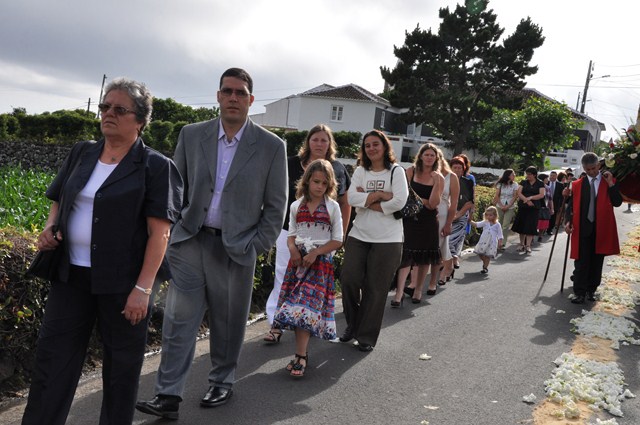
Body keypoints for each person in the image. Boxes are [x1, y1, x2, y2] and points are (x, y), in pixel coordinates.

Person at [22, 78, 183, 425]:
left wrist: (143, 289)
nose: (109, 113)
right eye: (105, 107)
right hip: (70, 275)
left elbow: (160, 233)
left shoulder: (156, 167)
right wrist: (50, 228)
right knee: (52, 363)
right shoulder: (82, 152)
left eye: (119, 109)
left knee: (120, 373)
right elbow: (59, 199)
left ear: (140, 121)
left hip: (124, 285)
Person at [136, 68, 287, 419]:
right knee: (178, 320)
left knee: (227, 322)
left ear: (251, 100)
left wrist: (255, 246)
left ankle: (222, 380)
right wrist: (175, 232)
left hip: (237, 250)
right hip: (190, 241)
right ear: (218, 96)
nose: (233, 97)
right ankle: (168, 395)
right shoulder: (191, 135)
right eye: (227, 91)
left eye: (240, 92)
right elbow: (175, 189)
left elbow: (276, 207)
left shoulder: (271, 146)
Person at [263, 124, 350, 344]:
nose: (319, 144)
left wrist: (341, 235)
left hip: (323, 239)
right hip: (289, 231)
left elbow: (344, 202)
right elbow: (275, 193)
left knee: (316, 284)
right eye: (315, 139)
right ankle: (276, 325)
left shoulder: (338, 168)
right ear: (308, 142)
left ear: (330, 144)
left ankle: (308, 324)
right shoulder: (290, 164)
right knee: (283, 276)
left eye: (324, 140)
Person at [273, 159, 343, 377]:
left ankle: (300, 356)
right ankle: (300, 355)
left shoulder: (332, 207)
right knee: (297, 310)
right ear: (307, 181)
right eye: (315, 181)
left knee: (304, 309)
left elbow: (337, 240)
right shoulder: (296, 206)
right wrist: (293, 250)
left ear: (329, 185)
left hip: (319, 266)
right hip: (298, 265)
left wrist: (316, 253)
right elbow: (291, 235)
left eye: (324, 183)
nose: (319, 186)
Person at [339, 130, 408, 352]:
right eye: (367, 145)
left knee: (375, 289)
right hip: (359, 234)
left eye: (375, 144)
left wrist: (367, 200)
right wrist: (380, 195)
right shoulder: (360, 171)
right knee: (349, 279)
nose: (371, 148)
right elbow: (352, 198)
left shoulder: (396, 171)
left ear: (385, 146)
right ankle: (353, 324)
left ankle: (366, 336)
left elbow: (399, 202)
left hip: (388, 239)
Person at [564, 152, 623, 304]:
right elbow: (571, 207)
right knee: (581, 262)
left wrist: (611, 184)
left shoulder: (608, 181)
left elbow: (617, 202)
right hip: (582, 229)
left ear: (599, 165)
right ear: (584, 168)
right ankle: (579, 292)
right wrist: (567, 222)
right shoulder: (577, 184)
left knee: (597, 262)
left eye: (593, 168)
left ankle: (591, 290)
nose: (591, 172)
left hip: (601, 229)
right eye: (588, 169)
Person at [391, 143, 443, 305]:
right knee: (406, 256)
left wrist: (436, 183)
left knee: (424, 257)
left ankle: (418, 290)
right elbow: (404, 196)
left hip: (428, 222)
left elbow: (433, 204)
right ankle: (399, 293)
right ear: (420, 156)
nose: (429, 158)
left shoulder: (439, 177)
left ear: (436, 158)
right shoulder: (410, 171)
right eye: (426, 154)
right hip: (410, 219)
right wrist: (423, 201)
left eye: (432, 155)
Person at [435, 152, 459, 284]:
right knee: (434, 246)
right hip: (428, 214)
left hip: (443, 214)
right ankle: (447, 267)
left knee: (442, 245)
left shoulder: (452, 177)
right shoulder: (429, 174)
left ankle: (446, 270)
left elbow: (454, 202)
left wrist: (449, 223)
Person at [511, 166, 545, 254]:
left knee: (530, 226)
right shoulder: (523, 182)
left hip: (534, 207)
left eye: (529, 174)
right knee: (521, 225)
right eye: (527, 174)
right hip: (523, 206)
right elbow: (519, 193)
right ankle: (521, 244)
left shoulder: (540, 183)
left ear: (534, 175)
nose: (528, 176)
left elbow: (541, 195)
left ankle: (528, 245)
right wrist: (526, 200)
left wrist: (531, 198)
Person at [448, 157, 474, 269]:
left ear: (463, 169)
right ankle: (446, 260)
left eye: (460, 168)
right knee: (446, 239)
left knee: (457, 239)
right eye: (455, 167)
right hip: (446, 213)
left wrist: (457, 215)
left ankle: (455, 258)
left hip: (461, 214)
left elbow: (470, 202)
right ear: (450, 168)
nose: (457, 170)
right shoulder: (444, 180)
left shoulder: (468, 182)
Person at [470, 206, 503, 274]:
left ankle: (485, 268)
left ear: (495, 215)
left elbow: (500, 235)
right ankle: (485, 262)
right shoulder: (485, 222)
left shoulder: (497, 225)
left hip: (492, 242)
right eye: (487, 215)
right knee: (480, 254)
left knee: (488, 255)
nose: (488, 217)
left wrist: (500, 242)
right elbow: (477, 224)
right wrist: (470, 221)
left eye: (490, 215)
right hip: (483, 241)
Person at [493, 169, 518, 250]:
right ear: (508, 175)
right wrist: (501, 205)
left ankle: (502, 243)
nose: (514, 176)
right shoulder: (500, 184)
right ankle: (496, 242)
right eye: (512, 174)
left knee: (505, 225)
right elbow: (497, 195)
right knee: (498, 224)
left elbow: (515, 196)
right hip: (500, 205)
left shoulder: (515, 185)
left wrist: (508, 206)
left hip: (510, 206)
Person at [536, 173, 553, 242]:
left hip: (545, 207)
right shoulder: (537, 186)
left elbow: (550, 199)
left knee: (543, 222)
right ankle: (531, 237)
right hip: (536, 207)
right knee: (535, 222)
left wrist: (552, 208)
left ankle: (540, 235)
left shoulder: (548, 187)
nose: (548, 180)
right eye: (546, 178)